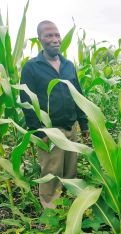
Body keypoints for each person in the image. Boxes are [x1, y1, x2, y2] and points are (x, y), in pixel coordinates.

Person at [20, 20, 88, 208]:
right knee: (52, 174)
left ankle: (68, 209)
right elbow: (27, 103)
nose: (55, 39)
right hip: (50, 131)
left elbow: (78, 96)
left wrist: (84, 125)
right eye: (49, 35)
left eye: (57, 35)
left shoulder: (68, 65)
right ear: (40, 39)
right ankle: (51, 213)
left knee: (70, 172)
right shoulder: (31, 67)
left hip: (70, 128)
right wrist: (40, 133)